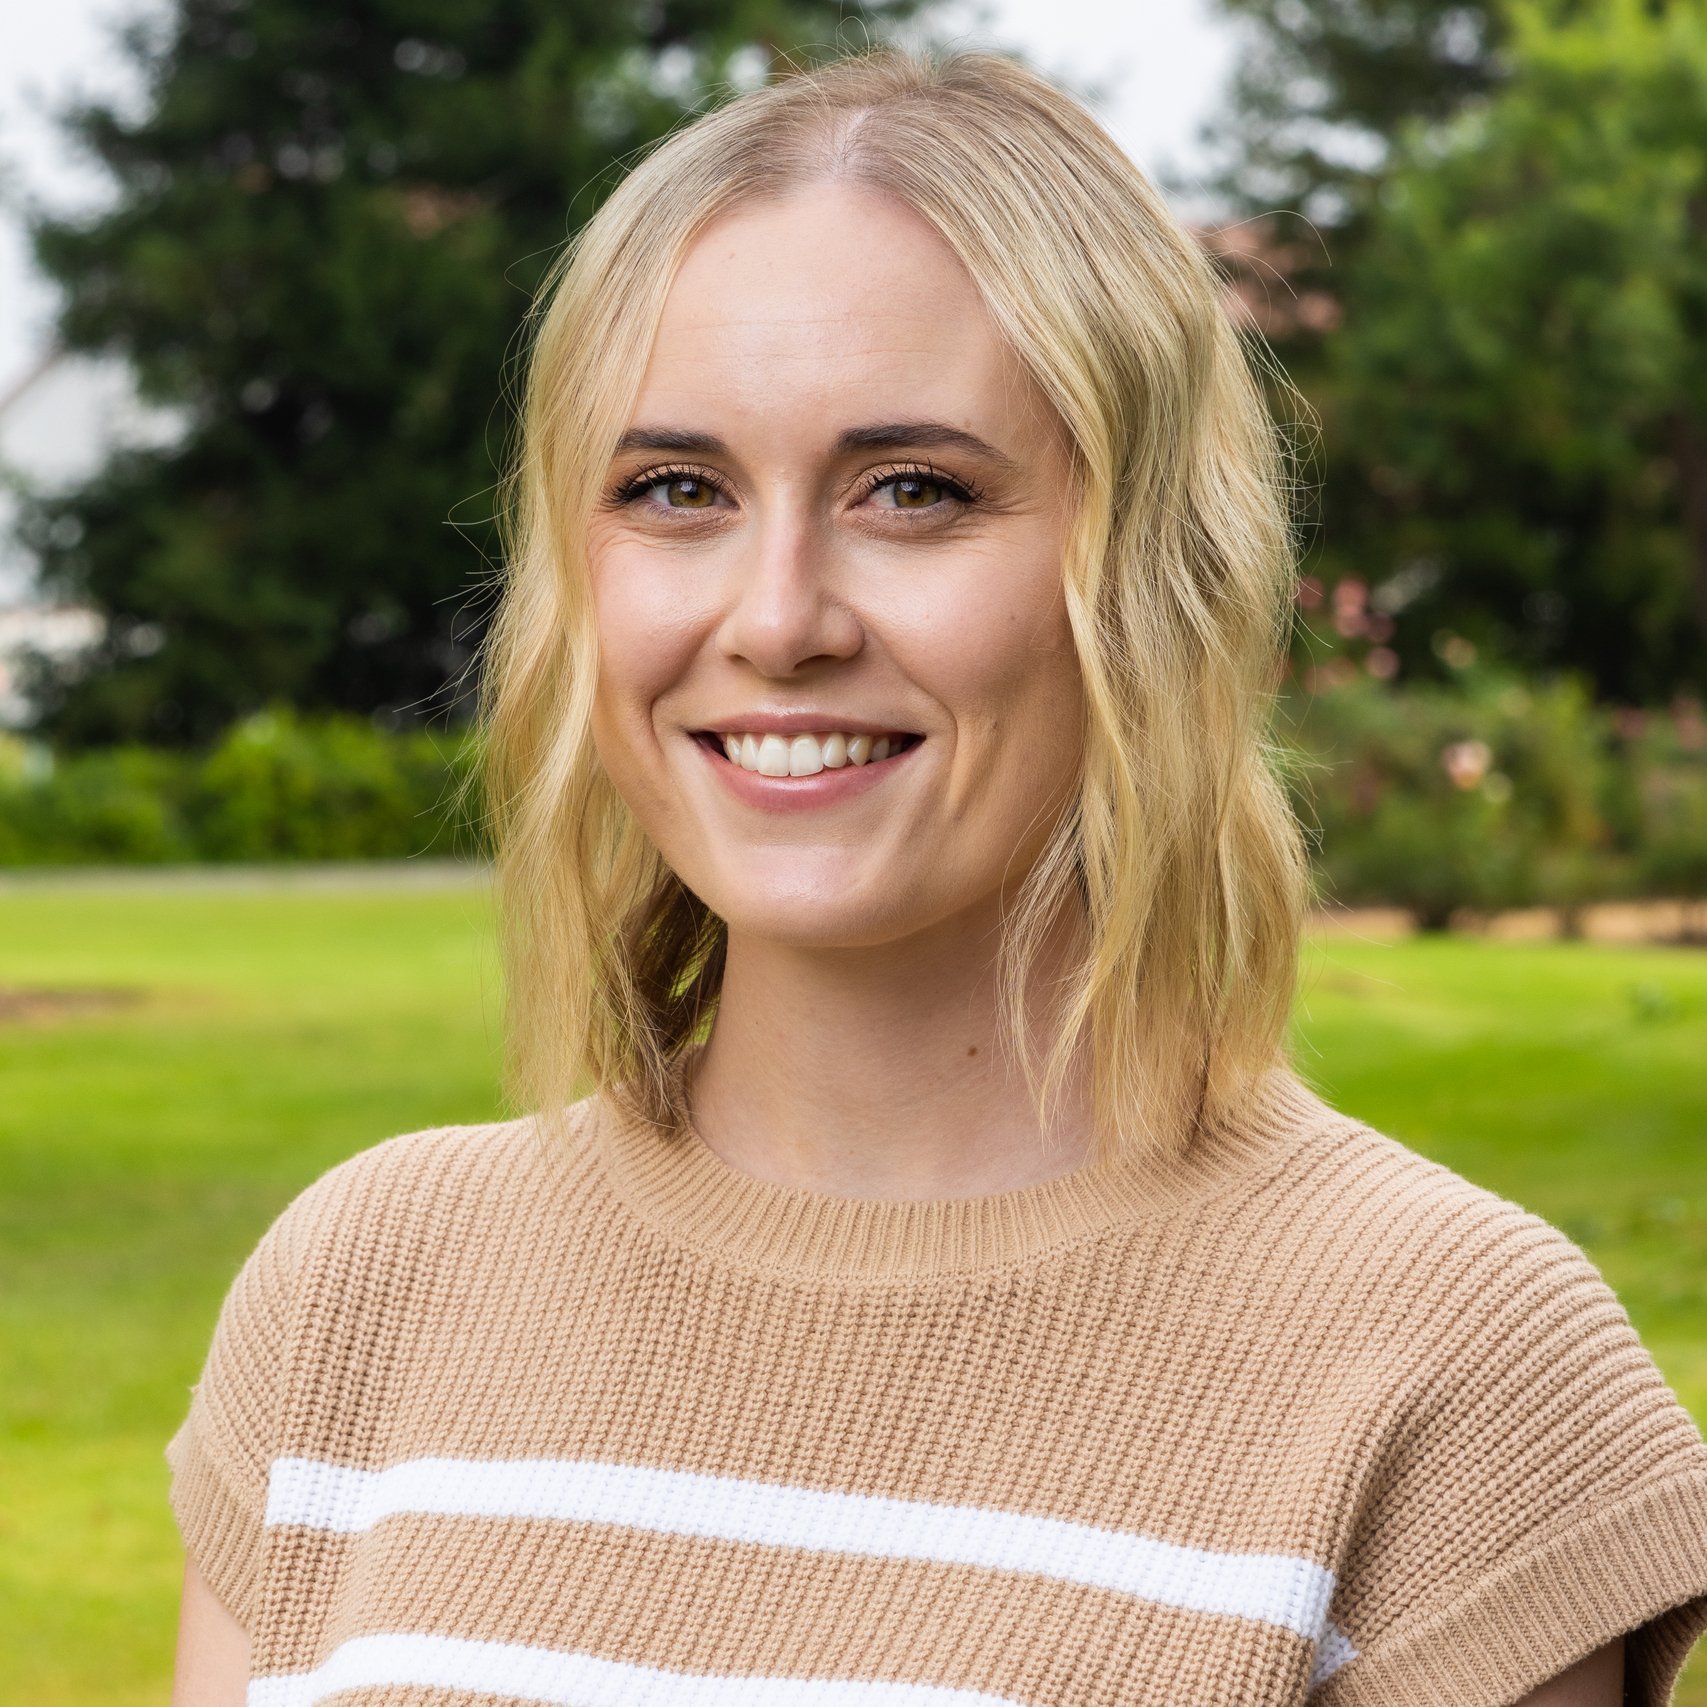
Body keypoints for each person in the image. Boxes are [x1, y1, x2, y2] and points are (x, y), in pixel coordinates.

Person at [168, 47, 1707, 1707]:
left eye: (913, 492)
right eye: (676, 489)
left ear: (1150, 576)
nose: (776, 617)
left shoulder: (1455, 1374)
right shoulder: (360, 1293)